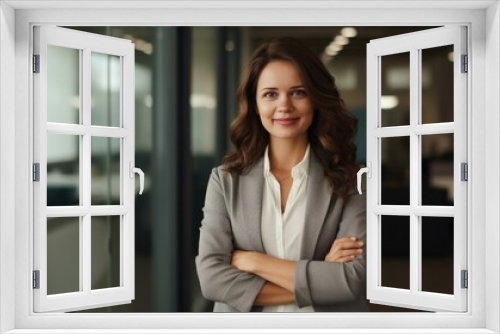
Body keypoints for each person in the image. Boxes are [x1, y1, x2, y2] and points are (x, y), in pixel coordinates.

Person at [195, 37, 367, 312]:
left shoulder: (352, 180)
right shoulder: (225, 180)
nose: (284, 105)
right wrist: (322, 277)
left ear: (316, 98)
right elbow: (212, 280)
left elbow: (352, 280)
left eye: (298, 92)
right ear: (255, 103)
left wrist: (253, 262)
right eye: (270, 94)